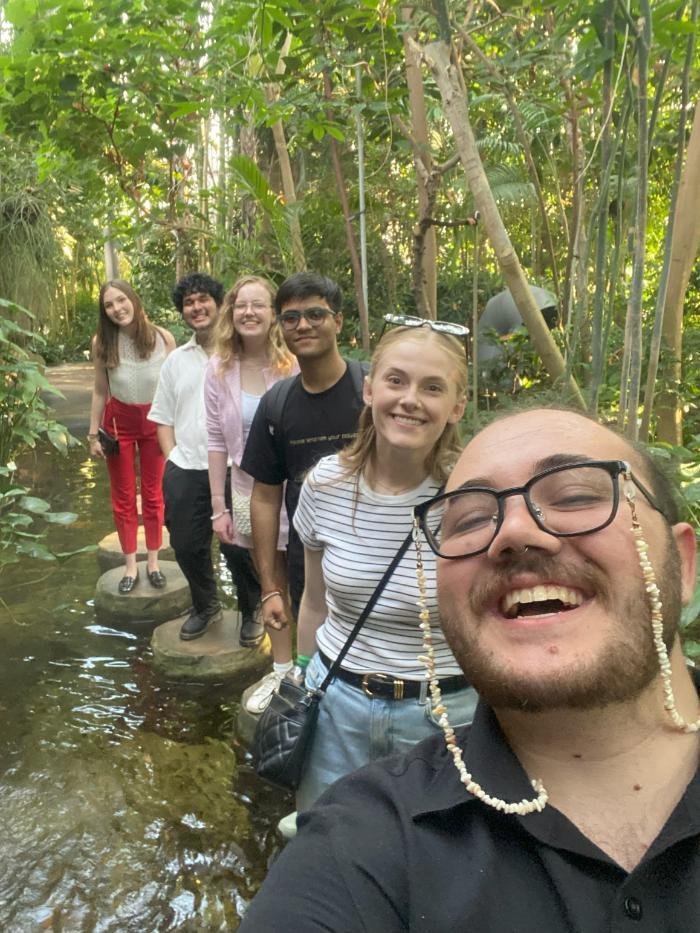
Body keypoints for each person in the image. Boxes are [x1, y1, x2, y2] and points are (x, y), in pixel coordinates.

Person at [240, 407, 699, 931]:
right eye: (472, 519)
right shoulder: (361, 840)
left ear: (684, 565)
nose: (513, 532)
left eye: (575, 496)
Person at [293, 320, 478, 812]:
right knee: (328, 843)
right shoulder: (325, 484)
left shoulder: (475, 498)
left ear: (456, 407)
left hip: (444, 714)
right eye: (396, 380)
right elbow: (313, 602)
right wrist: (298, 673)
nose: (410, 400)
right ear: (370, 389)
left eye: (432, 388)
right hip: (336, 705)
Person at [239, 272, 367, 714]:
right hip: (307, 555)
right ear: (281, 327)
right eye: (291, 317)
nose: (304, 325)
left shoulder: (371, 392)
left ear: (338, 321)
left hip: (377, 548)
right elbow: (264, 497)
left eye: (316, 314)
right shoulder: (277, 404)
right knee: (314, 657)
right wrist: (271, 589)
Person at [204, 275, 298, 649]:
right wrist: (217, 507)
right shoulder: (218, 368)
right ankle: (281, 667)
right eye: (241, 305)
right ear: (231, 313)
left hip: (297, 493)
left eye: (258, 305)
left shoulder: (291, 364)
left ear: (273, 314)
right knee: (269, 585)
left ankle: (308, 669)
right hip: (249, 492)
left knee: (304, 582)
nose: (249, 312)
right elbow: (215, 438)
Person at [149, 273, 241, 641]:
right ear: (183, 312)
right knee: (186, 544)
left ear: (219, 305)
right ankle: (206, 606)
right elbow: (162, 417)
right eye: (189, 303)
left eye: (203, 299)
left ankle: (252, 610)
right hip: (186, 467)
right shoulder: (175, 362)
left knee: (240, 548)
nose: (196, 307)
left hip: (237, 468)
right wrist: (173, 459)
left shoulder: (240, 354)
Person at [88, 280, 176, 593]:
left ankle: (152, 562)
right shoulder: (102, 342)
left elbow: (173, 390)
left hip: (155, 424)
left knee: (154, 494)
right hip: (117, 424)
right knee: (123, 496)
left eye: (121, 300)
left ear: (133, 300)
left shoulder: (163, 338)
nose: (117, 309)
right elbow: (100, 391)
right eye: (109, 305)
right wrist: (92, 434)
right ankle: (129, 566)